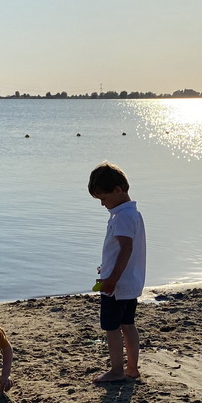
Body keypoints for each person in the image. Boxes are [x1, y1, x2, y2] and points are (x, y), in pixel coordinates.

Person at [88, 161, 146, 384]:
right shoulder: (133, 214)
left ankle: (116, 370)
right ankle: (132, 368)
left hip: (117, 285)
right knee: (128, 324)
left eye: (103, 198)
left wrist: (111, 278)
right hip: (130, 282)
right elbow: (123, 251)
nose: (102, 204)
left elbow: (126, 248)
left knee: (112, 328)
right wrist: (107, 269)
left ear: (117, 190)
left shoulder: (121, 216)